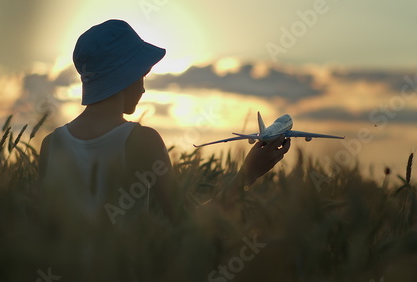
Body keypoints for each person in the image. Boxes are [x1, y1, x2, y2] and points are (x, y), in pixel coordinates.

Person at [38, 19, 290, 225]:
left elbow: (44, 233)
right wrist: (247, 175)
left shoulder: (51, 144)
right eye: (142, 76)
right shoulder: (141, 140)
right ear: (128, 76)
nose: (143, 89)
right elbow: (187, 223)